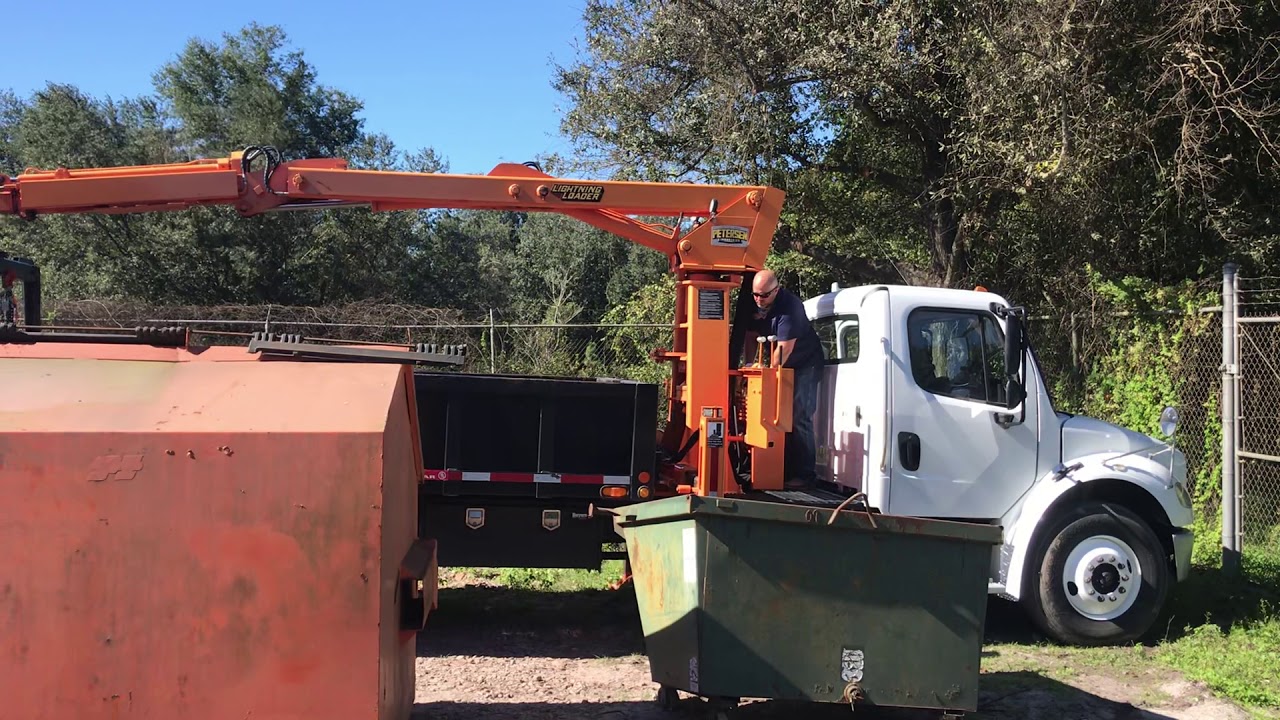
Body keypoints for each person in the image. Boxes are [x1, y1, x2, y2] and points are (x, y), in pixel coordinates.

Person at [749, 269, 824, 489]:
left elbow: (784, 349)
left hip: (804, 364)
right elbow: (750, 337)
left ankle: (805, 475)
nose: (758, 300)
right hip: (784, 363)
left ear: (777, 290)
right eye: (756, 294)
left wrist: (768, 376)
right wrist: (750, 365)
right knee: (778, 416)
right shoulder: (754, 303)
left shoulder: (790, 307)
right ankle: (780, 468)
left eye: (764, 295)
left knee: (800, 416)